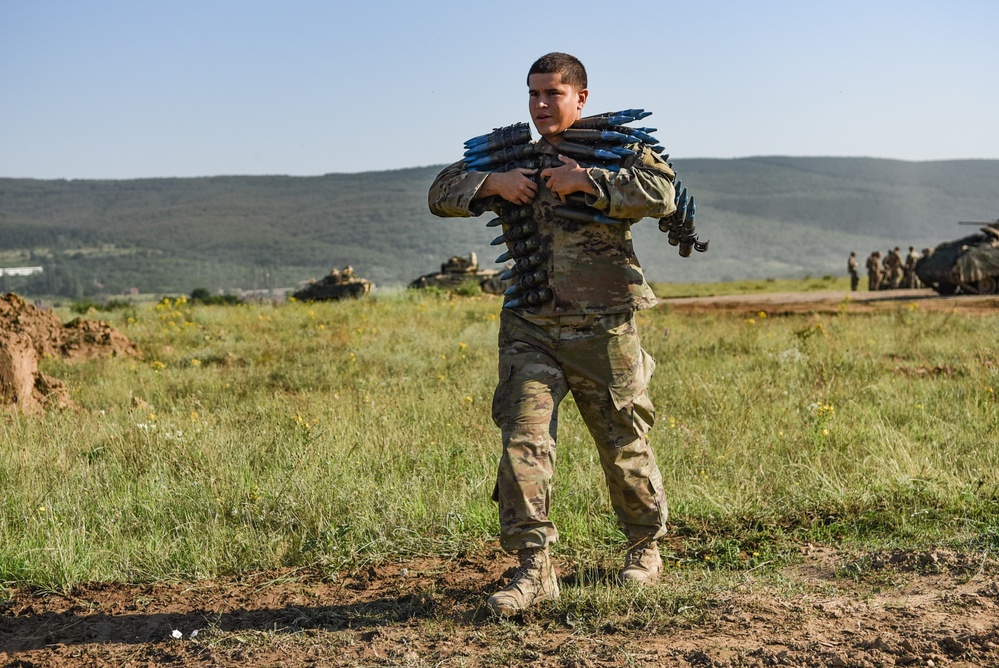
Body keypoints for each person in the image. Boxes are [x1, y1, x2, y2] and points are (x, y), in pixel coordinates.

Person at [428, 52, 675, 616]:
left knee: (622, 441)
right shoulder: (512, 157)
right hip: (530, 324)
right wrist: (492, 182)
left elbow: (662, 194)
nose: (540, 105)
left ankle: (644, 548)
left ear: (580, 98)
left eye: (552, 95)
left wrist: (585, 178)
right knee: (522, 443)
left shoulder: (616, 150)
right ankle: (534, 568)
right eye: (533, 94)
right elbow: (439, 193)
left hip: (603, 325)